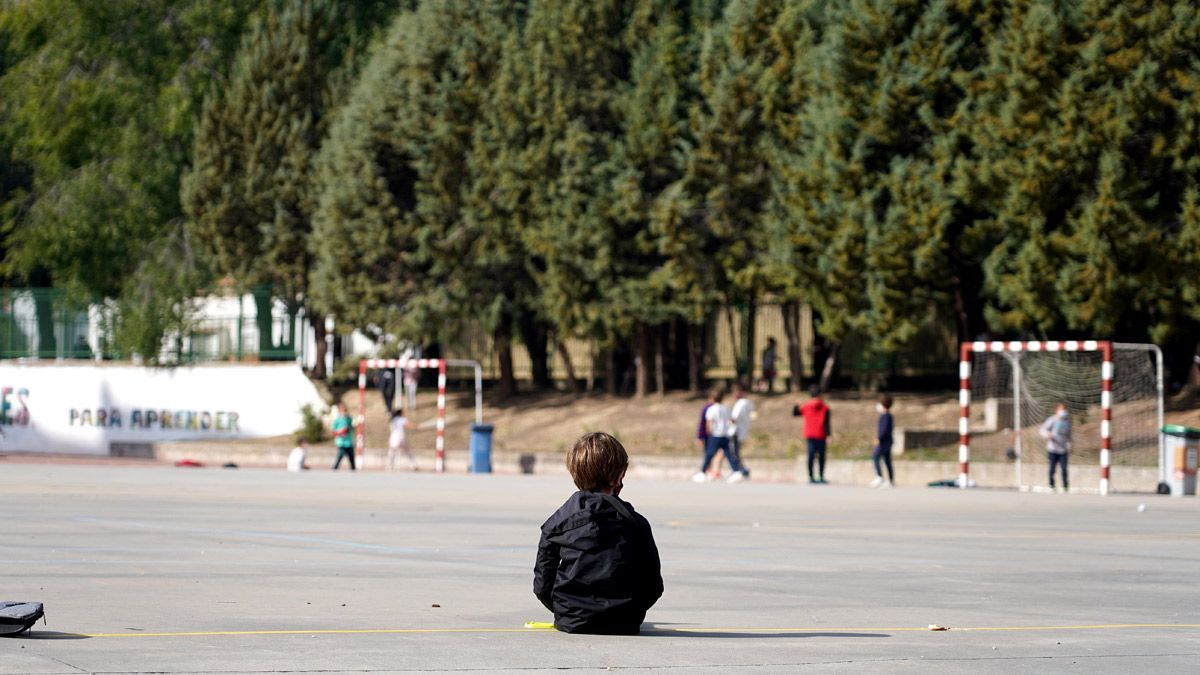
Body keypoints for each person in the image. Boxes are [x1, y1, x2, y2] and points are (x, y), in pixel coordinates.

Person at [534, 432, 663, 634]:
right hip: (625, 620)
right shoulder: (637, 523)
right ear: (618, 475)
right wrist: (631, 608)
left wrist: (565, 610)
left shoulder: (556, 522)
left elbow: (542, 584)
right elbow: (653, 585)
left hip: (572, 619)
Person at [693, 388, 746, 482]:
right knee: (729, 454)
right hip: (725, 435)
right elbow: (732, 420)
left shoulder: (711, 409)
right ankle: (736, 471)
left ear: (712, 398)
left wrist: (708, 434)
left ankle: (702, 472)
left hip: (715, 435)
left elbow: (709, 423)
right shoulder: (726, 408)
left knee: (709, 454)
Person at [793, 385, 831, 484]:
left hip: (809, 434)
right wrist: (828, 435)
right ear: (819, 395)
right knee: (821, 457)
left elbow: (795, 413)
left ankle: (811, 477)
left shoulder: (806, 406)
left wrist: (795, 405)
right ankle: (821, 476)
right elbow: (827, 423)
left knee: (811, 456)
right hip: (821, 435)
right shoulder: (825, 407)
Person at [1039, 402, 1071, 492]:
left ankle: (1065, 486)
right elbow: (1042, 430)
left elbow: (1069, 435)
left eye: (1064, 409)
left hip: (1063, 449)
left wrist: (1069, 443)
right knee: (1052, 469)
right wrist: (1047, 434)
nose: (1063, 411)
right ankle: (1051, 485)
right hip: (1052, 449)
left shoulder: (1067, 422)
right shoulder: (1052, 420)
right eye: (1061, 409)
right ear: (1056, 410)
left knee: (1064, 469)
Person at [728, 382, 754, 479]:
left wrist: (725, 421)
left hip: (736, 431)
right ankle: (743, 470)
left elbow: (734, 419)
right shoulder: (748, 403)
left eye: (735, 392)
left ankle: (739, 471)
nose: (733, 394)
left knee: (733, 452)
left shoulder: (740, 403)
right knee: (735, 452)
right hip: (742, 431)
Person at [870, 394, 895, 488]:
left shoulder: (886, 416)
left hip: (884, 441)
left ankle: (879, 477)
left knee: (875, 456)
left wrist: (878, 438)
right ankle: (891, 480)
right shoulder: (887, 416)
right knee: (887, 460)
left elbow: (884, 429)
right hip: (887, 441)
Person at [331, 403, 356, 471]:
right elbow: (333, 431)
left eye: (345, 409)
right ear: (339, 410)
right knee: (339, 458)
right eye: (342, 409)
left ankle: (354, 472)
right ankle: (333, 470)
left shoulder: (349, 418)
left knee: (352, 460)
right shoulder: (337, 419)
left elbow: (352, 428)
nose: (344, 411)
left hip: (349, 442)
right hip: (341, 442)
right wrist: (340, 432)